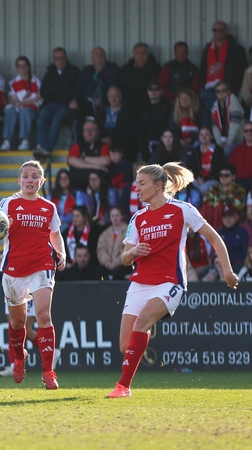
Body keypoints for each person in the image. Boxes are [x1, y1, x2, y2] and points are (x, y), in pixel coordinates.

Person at [106, 162, 238, 398]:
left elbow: (214, 238)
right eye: (136, 184)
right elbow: (125, 259)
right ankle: (142, 336)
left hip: (170, 282)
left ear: (158, 186)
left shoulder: (182, 209)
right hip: (140, 283)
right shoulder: (137, 218)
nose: (137, 188)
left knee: (142, 321)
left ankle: (123, 386)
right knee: (126, 345)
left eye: (142, 183)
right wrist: (134, 251)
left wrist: (227, 271)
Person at [0, 160, 66, 389]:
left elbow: (55, 233)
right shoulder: (7, 204)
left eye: (35, 176)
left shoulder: (49, 207)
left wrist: (61, 253)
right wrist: (3, 227)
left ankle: (48, 371)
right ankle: (19, 357)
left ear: (41, 181)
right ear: (19, 180)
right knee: (17, 322)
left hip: (42, 264)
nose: (30, 180)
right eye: (25, 176)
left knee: (44, 315)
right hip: (14, 269)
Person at [36, 47, 80, 158]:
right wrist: (61, 89)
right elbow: (43, 92)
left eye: (62, 58)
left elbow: (77, 90)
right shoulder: (50, 73)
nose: (60, 61)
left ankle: (46, 148)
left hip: (65, 105)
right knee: (41, 119)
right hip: (49, 104)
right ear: (54, 60)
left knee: (56, 120)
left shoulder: (74, 71)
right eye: (57, 58)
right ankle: (43, 146)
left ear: (66, 58)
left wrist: (56, 90)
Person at [199, 21, 247, 108]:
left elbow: (242, 68)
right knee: (214, 110)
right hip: (210, 87)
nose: (217, 32)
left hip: (229, 87)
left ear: (226, 31)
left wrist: (235, 84)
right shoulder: (207, 49)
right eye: (215, 30)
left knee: (228, 111)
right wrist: (203, 84)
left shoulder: (237, 49)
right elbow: (203, 68)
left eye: (220, 30)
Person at [0, 56, 42, 151]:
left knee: (25, 110)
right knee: (10, 111)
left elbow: (39, 97)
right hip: (18, 108)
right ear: (17, 68)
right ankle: (6, 142)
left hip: (32, 109)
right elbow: (13, 99)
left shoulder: (36, 80)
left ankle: (25, 141)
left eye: (24, 65)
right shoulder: (13, 83)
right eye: (20, 66)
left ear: (29, 67)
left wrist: (23, 102)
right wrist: (16, 102)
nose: (22, 68)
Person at [71, 47, 120, 119]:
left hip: (103, 101)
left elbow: (114, 86)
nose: (99, 57)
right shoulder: (87, 69)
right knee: (73, 110)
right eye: (96, 55)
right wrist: (74, 99)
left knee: (104, 110)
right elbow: (79, 86)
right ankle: (78, 127)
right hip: (86, 101)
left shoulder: (112, 68)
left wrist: (102, 98)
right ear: (92, 58)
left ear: (105, 57)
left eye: (101, 54)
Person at [67, 119, 111, 190]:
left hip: (99, 188)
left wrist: (84, 158)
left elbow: (106, 161)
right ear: (83, 132)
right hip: (78, 186)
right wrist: (95, 166)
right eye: (87, 130)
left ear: (98, 132)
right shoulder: (77, 146)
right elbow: (71, 160)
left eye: (92, 130)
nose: (89, 133)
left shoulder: (104, 146)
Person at [119, 43, 162, 115]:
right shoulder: (126, 69)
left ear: (148, 55)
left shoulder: (156, 69)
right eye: (138, 53)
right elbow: (123, 84)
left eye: (144, 53)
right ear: (133, 56)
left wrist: (133, 82)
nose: (141, 56)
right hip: (129, 104)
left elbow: (154, 86)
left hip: (149, 104)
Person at [200, 164, 247, 229]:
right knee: (206, 208)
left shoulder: (239, 189)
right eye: (221, 175)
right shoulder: (214, 188)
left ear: (233, 176)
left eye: (226, 175)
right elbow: (206, 201)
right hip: (214, 216)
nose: (223, 177)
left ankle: (217, 233)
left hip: (232, 217)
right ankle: (202, 233)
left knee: (220, 208)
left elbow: (237, 207)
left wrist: (219, 205)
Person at [96, 87, 136, 160]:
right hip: (104, 141)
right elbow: (98, 126)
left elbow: (129, 129)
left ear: (120, 97)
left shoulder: (129, 111)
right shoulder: (103, 110)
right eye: (111, 96)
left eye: (116, 96)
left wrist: (112, 139)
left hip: (121, 142)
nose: (113, 99)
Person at [137, 81, 173, 160]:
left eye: (156, 89)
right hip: (146, 143)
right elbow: (140, 127)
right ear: (147, 91)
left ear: (161, 91)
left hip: (163, 143)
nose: (153, 91)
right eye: (150, 89)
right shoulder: (142, 107)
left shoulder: (168, 107)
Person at [188, 127, 226, 194]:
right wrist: (197, 177)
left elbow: (219, 169)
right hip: (198, 179)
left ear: (211, 136)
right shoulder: (195, 151)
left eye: (206, 134)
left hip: (213, 179)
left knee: (203, 188)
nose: (203, 136)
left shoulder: (218, 151)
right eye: (201, 134)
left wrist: (205, 179)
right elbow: (192, 167)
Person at [210, 81, 244, 155]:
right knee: (213, 150)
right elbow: (214, 127)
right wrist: (219, 143)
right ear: (216, 94)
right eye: (218, 91)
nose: (221, 93)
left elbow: (234, 126)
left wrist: (228, 143)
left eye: (224, 90)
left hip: (237, 139)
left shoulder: (234, 103)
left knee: (225, 151)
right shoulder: (215, 106)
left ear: (229, 92)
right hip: (223, 140)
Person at [230, 122, 252, 192]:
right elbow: (230, 167)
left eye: (251, 130)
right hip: (238, 181)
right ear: (243, 133)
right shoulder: (237, 149)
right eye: (246, 131)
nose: (249, 133)